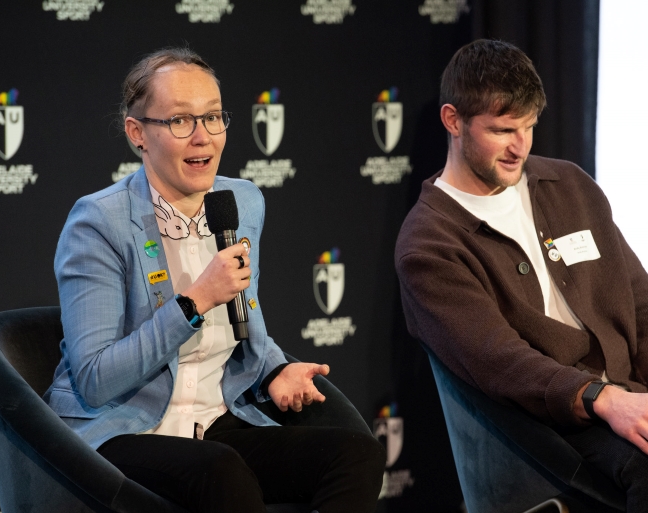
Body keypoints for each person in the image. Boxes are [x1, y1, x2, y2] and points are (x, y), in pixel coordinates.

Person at [44, 47, 384, 513]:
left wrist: (273, 372)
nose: (203, 138)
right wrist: (193, 302)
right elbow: (96, 380)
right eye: (180, 121)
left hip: (215, 424)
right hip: (121, 430)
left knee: (355, 454)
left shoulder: (241, 203)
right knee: (220, 472)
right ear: (137, 132)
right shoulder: (100, 222)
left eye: (213, 117)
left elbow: (245, 322)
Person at [395, 39, 648, 510]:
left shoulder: (570, 185)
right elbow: (500, 362)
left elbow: (641, 303)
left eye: (529, 127)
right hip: (552, 429)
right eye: (503, 130)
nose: (520, 147)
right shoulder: (429, 244)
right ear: (453, 121)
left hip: (625, 397)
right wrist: (603, 398)